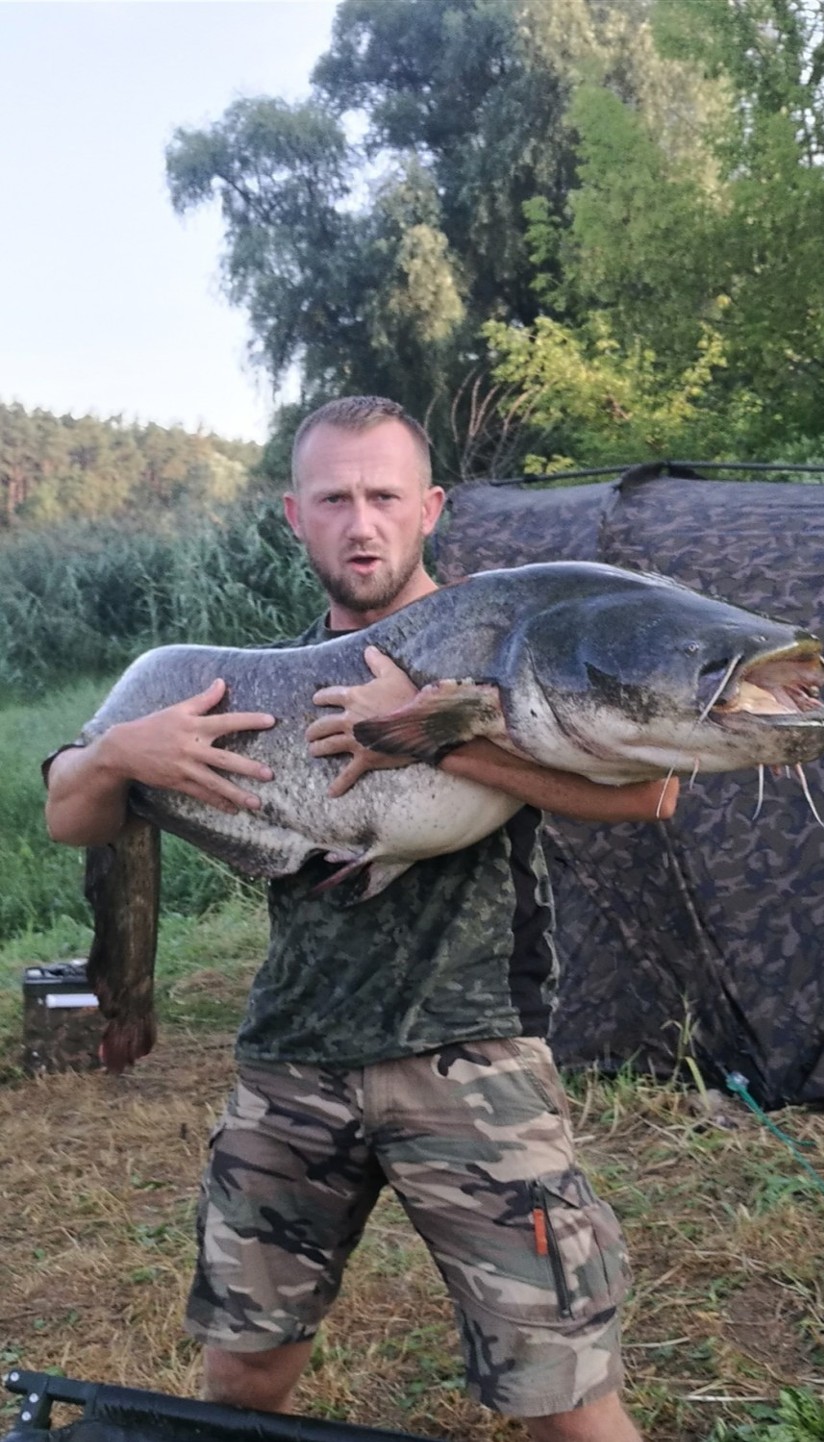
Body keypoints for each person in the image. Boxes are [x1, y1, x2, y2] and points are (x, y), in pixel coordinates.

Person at [45, 396, 679, 1442]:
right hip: (293, 1059)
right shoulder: (253, 684)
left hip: (473, 1060)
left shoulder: (497, 640)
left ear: (429, 506)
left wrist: (429, 740)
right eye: (334, 498)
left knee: (566, 1399)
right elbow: (73, 814)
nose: (362, 522)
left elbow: (650, 791)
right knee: (242, 1380)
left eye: (384, 495)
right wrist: (116, 755)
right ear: (294, 515)